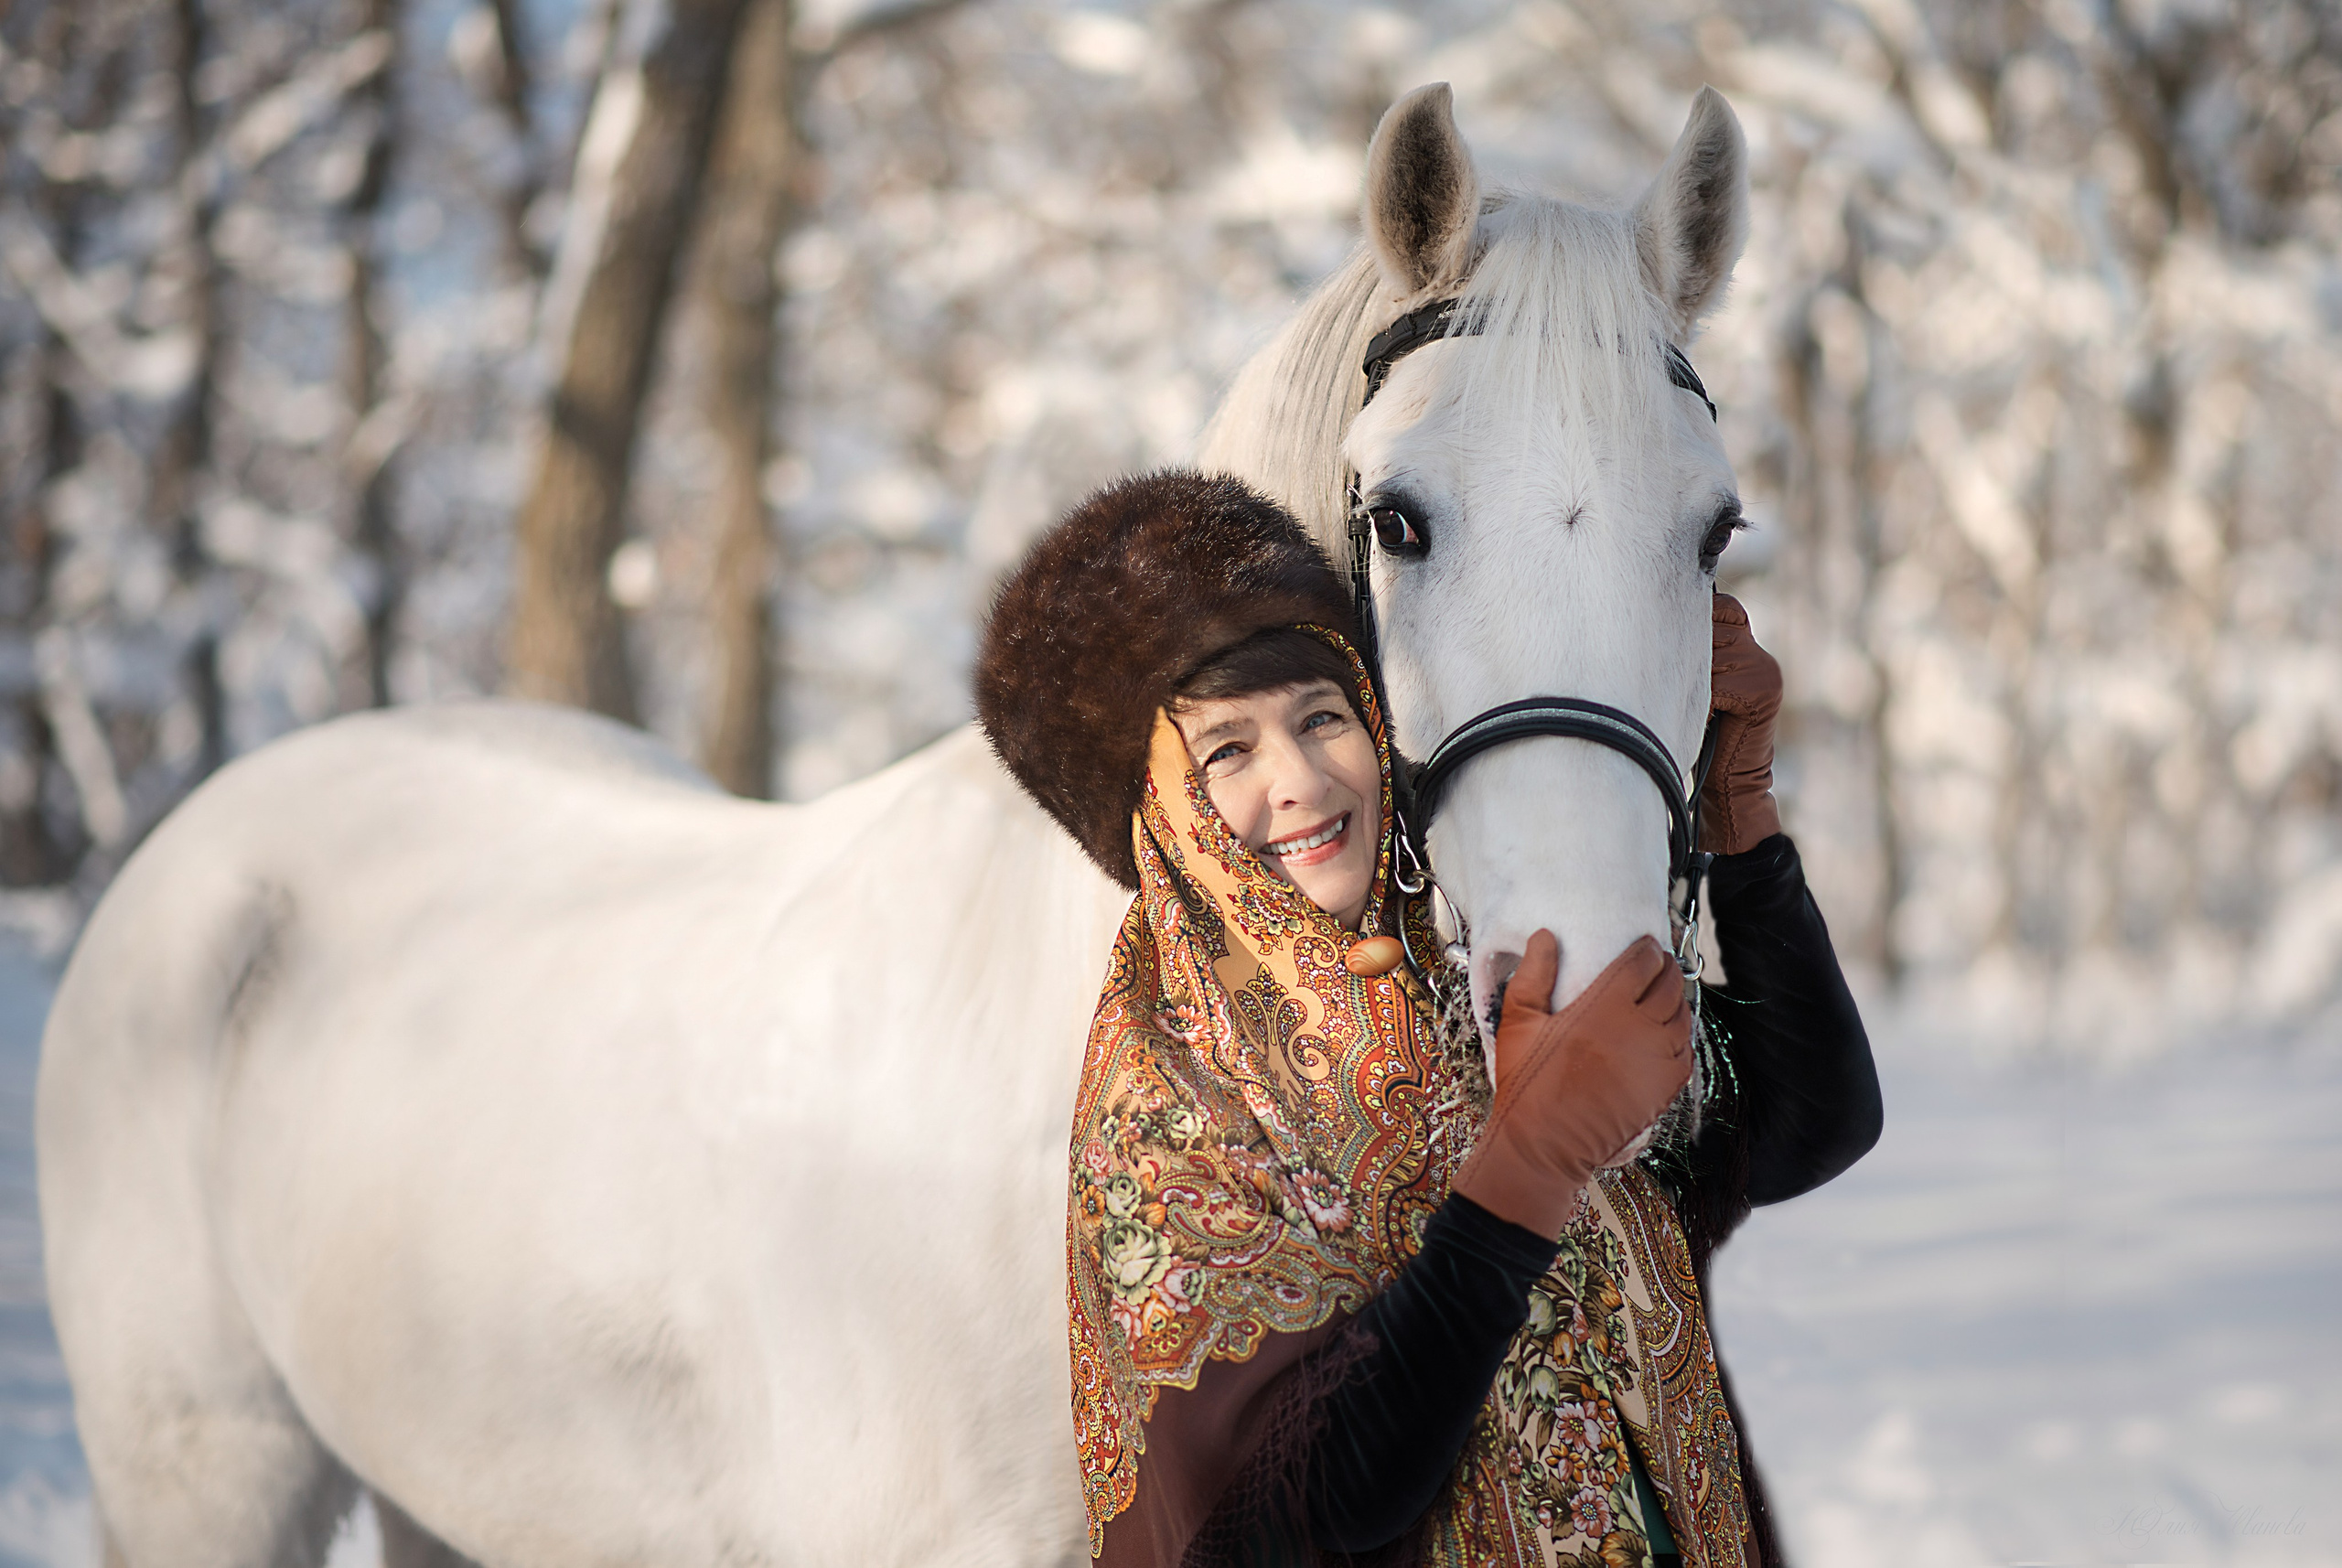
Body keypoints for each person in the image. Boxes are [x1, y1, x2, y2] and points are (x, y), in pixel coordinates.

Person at [975, 471, 1880, 1568]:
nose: (1302, 778)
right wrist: (1532, 1162)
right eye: (1227, 751)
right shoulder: (1173, 1103)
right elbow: (1301, 1509)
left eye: (1322, 716)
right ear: (1156, 820)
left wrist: (1740, 815)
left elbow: (1805, 1125)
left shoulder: (1474, 966)